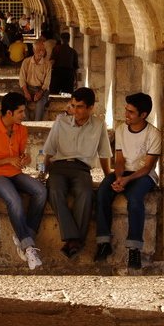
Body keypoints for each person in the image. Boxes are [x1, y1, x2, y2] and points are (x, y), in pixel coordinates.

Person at [94, 92, 161, 270]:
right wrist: (117, 178)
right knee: (102, 193)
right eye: (126, 110)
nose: (126, 115)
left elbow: (147, 167)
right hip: (123, 173)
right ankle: (103, 242)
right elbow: (120, 160)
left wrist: (127, 179)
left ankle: (134, 248)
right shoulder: (122, 129)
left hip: (143, 176)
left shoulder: (153, 134)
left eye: (131, 112)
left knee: (135, 199)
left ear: (143, 115)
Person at [43, 87, 112, 258]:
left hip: (82, 169)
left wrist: (107, 177)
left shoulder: (98, 125)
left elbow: (104, 154)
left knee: (86, 193)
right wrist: (42, 173)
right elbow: (49, 150)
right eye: (73, 105)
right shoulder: (61, 121)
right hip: (58, 166)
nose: (75, 110)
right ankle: (75, 239)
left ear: (91, 108)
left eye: (80, 106)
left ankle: (73, 240)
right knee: (54, 190)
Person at [0, 92, 47, 270]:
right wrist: (7, 160)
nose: (24, 115)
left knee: (40, 191)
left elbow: (20, 156)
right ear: (9, 113)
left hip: (14, 172)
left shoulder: (21, 129)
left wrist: (24, 159)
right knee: (14, 199)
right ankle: (29, 248)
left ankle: (25, 237)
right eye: (20, 112)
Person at [19, 39, 52, 121]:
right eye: (39, 50)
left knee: (40, 104)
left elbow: (47, 82)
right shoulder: (26, 62)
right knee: (19, 100)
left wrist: (40, 92)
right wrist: (26, 92)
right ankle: (26, 122)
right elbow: (22, 79)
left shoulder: (47, 64)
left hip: (41, 89)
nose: (41, 52)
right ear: (33, 50)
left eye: (43, 50)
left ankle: (37, 123)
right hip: (28, 88)